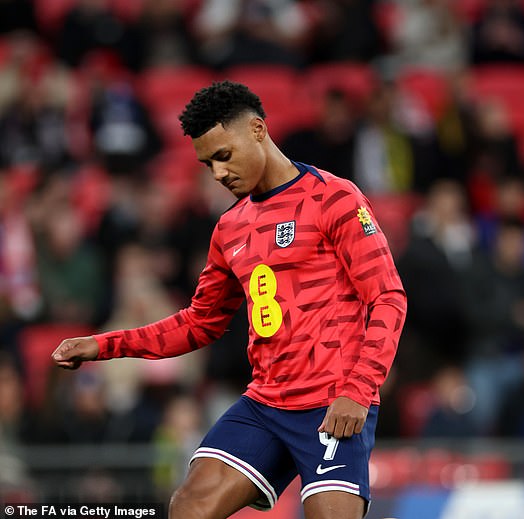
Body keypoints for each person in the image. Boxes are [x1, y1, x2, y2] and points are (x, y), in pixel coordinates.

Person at [51, 80, 407, 518]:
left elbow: (388, 297)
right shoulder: (230, 228)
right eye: (207, 164)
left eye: (224, 156)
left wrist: (359, 389)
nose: (219, 173)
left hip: (334, 401)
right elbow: (199, 323)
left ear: (258, 130)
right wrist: (104, 345)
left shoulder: (334, 198)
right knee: (189, 507)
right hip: (266, 403)